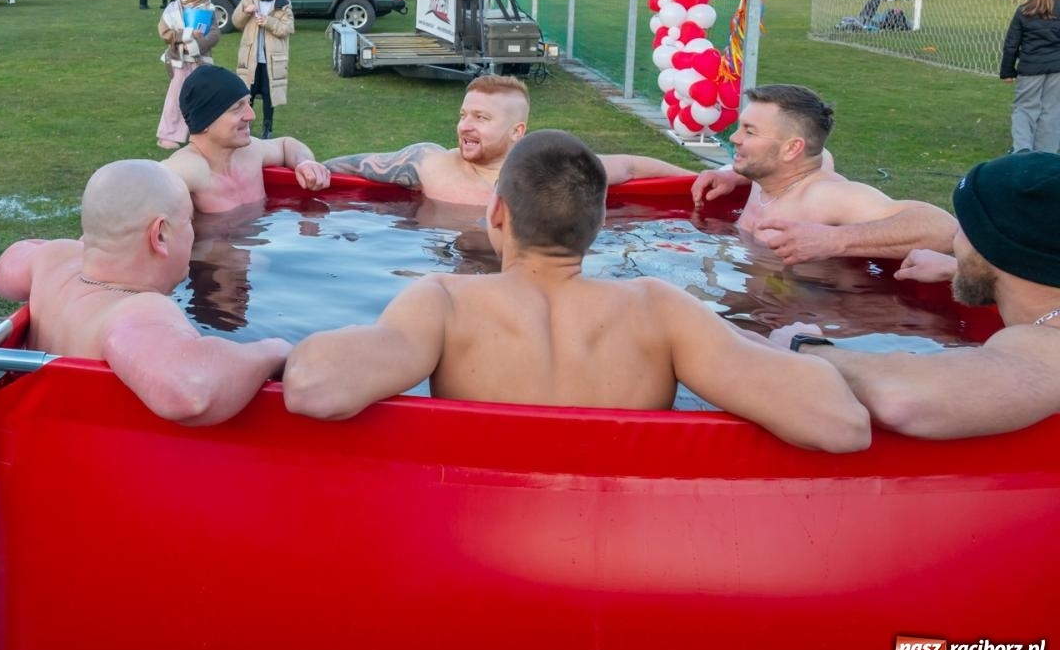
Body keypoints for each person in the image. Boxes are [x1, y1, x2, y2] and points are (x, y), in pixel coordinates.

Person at [283, 130, 871, 454]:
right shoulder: (660, 310)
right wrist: (797, 347)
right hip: (624, 551)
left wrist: (270, 353)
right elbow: (840, 424)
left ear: (497, 212)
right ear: (599, 222)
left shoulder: (445, 302)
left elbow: (312, 388)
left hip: (480, 539)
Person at [769, 151, 1060, 439]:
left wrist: (804, 347)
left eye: (964, 228)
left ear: (998, 252)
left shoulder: (1048, 345)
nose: (954, 239)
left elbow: (902, 400)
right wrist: (959, 269)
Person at [0, 159, 290, 425]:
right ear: (159, 234)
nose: (193, 232)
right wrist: (275, 350)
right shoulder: (135, 309)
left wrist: (81, 245)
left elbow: (3, 274)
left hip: (43, 431)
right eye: (188, 221)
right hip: (102, 457)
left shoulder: (54, 259)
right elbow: (191, 392)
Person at [324, 74, 693, 206]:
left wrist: (696, 181)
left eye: (481, 118)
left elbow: (629, 166)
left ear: (518, 132)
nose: (465, 126)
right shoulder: (430, 163)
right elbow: (358, 165)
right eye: (464, 115)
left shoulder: (551, 171)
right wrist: (313, 168)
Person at [691, 83, 958, 264]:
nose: (735, 138)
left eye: (750, 131)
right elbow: (822, 155)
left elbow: (945, 229)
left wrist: (835, 240)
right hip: (755, 302)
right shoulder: (771, 179)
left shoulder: (825, 196)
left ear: (792, 148)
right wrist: (736, 174)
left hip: (806, 324)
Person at [162, 64, 332, 213]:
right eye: (237, 108)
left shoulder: (250, 153)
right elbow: (145, 183)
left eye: (248, 103)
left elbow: (287, 144)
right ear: (205, 121)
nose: (251, 116)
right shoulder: (193, 167)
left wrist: (304, 162)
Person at [156, 0, 220, 149]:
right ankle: (168, 135)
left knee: (201, 96)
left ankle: (201, 135)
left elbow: (214, 34)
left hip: (200, 60)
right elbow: (164, 32)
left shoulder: (208, 8)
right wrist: (184, 37)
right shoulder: (172, 8)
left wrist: (195, 46)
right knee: (176, 96)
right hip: (180, 59)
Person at [999, 0, 1060, 154]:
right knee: (1052, 110)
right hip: (1057, 68)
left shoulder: (1024, 11)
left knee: (1025, 108)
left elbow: (1011, 44)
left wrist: (1007, 71)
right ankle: (1045, 154)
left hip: (1030, 68)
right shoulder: (1024, 11)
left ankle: (1022, 149)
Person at [231, 0, 293, 139]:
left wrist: (267, 21)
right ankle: (245, 126)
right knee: (246, 93)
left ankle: (267, 127)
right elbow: (236, 22)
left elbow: (286, 29)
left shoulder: (283, 4)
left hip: (271, 59)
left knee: (269, 94)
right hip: (251, 57)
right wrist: (245, 11)